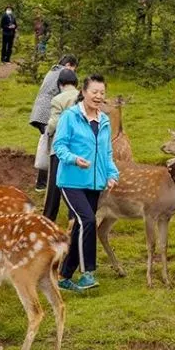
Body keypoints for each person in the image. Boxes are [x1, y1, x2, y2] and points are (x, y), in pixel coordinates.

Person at [52, 74, 119, 292]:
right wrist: (73, 159)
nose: (98, 97)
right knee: (88, 220)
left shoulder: (104, 120)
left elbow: (107, 152)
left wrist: (112, 174)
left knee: (82, 227)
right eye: (94, 92)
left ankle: (63, 275)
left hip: (95, 183)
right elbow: (59, 146)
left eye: (102, 93)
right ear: (84, 92)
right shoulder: (70, 117)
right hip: (71, 181)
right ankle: (87, 272)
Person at [29, 55, 79, 191]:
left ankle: (44, 182)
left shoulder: (53, 70)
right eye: (74, 69)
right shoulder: (63, 73)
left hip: (39, 112)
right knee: (52, 148)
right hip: (47, 114)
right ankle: (45, 183)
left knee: (49, 146)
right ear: (69, 65)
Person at [43, 68, 79, 221]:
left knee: (54, 185)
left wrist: (47, 131)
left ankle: (48, 217)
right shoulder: (83, 96)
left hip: (61, 147)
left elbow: (54, 123)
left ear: (60, 84)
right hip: (79, 146)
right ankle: (74, 215)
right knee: (75, 183)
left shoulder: (58, 99)